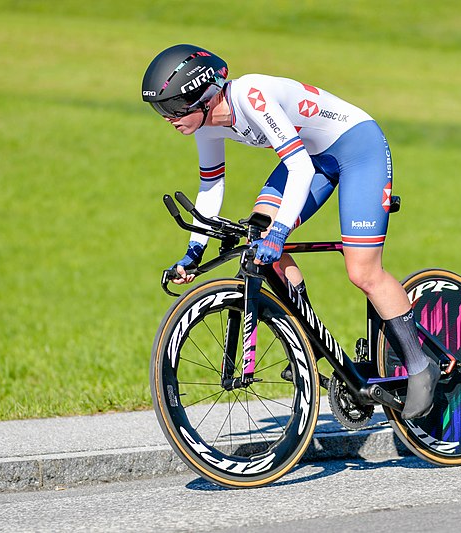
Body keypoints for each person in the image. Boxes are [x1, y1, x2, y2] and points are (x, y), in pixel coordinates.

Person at [142, 44, 439, 419]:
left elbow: (299, 167)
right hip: (310, 158)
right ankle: (309, 341)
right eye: (159, 110)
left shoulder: (251, 96)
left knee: (362, 271)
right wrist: (192, 253)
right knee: (257, 233)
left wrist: (280, 231)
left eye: (170, 108)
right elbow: (210, 186)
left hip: (357, 150)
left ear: (201, 95)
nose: (166, 118)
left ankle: (419, 366)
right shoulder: (205, 124)